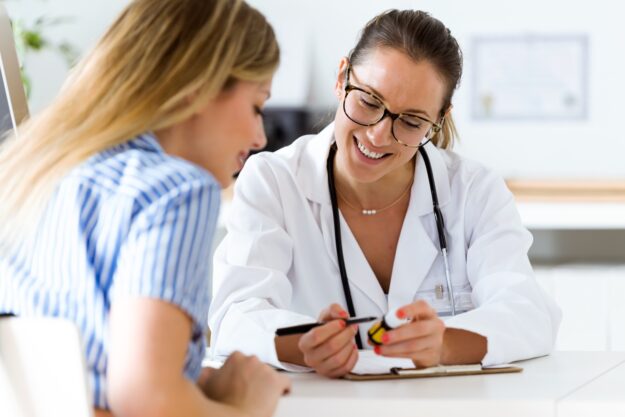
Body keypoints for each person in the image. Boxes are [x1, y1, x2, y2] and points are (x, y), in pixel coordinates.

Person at [208, 9, 562, 377]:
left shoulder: (474, 191)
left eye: (411, 121)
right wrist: (306, 345)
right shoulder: (273, 182)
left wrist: (443, 344)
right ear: (343, 77)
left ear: (438, 118)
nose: (378, 135)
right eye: (369, 101)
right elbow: (235, 317)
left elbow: (528, 312)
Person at [0, 0, 290, 415]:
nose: (260, 136)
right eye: (257, 106)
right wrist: (247, 407)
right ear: (200, 85)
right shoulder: (177, 191)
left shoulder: (33, 173)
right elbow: (147, 398)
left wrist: (190, 379)